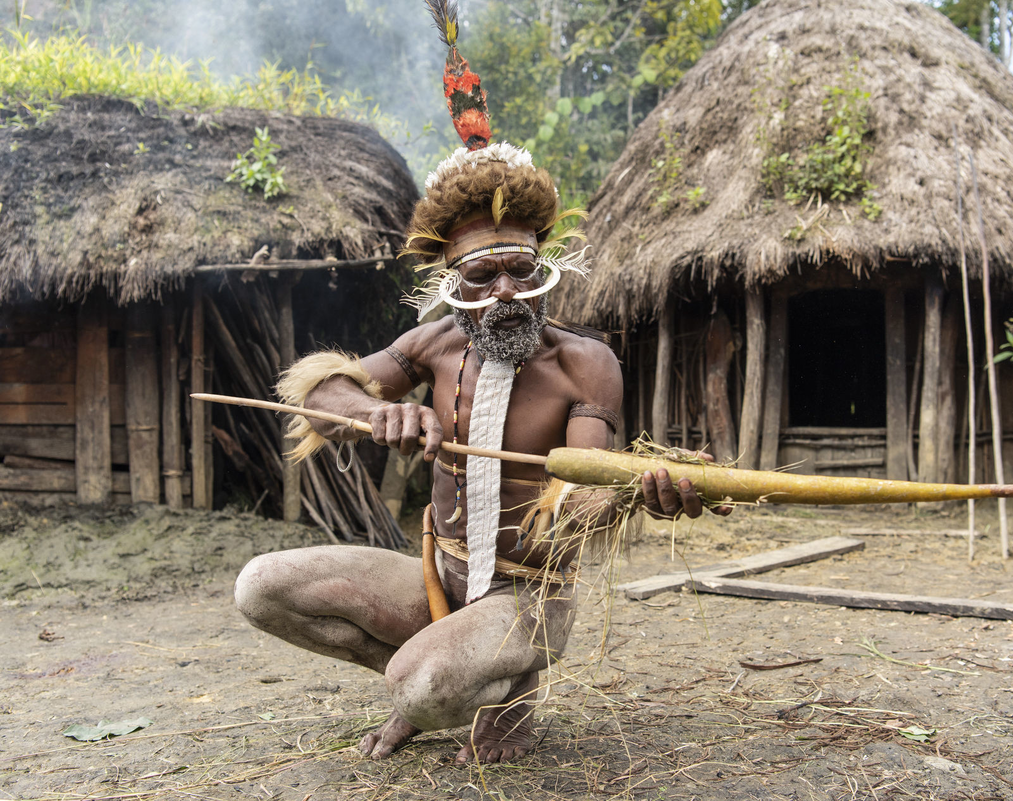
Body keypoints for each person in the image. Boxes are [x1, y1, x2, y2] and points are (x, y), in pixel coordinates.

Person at [234, 3, 728, 765]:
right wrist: (375, 414)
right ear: (452, 281)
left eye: (521, 270)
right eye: (483, 273)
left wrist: (640, 491)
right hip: (439, 582)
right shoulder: (429, 346)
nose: (505, 289)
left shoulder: (583, 363)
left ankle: (490, 686)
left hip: (527, 600)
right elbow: (320, 397)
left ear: (543, 269)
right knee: (260, 586)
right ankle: (443, 681)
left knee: (424, 685)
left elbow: (580, 496)